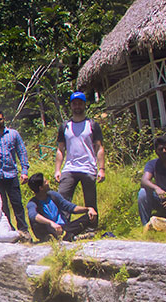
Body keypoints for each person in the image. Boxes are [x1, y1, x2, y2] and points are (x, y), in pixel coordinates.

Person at [54, 92, 106, 225]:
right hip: (70, 168)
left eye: (80, 103)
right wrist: (57, 170)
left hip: (88, 168)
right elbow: (60, 149)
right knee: (63, 197)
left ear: (84, 105)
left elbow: (99, 147)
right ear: (71, 106)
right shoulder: (65, 126)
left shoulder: (92, 125)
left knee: (90, 200)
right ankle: (62, 226)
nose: (77, 106)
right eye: (74, 103)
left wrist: (101, 169)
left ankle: (91, 227)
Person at [25, 172, 98, 241]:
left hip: (63, 228)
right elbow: (33, 215)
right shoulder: (33, 202)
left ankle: (67, 236)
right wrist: (51, 223)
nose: (48, 182)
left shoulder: (53, 195)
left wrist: (88, 209)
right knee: (35, 222)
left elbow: (69, 207)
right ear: (41, 188)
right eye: (45, 182)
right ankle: (68, 237)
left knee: (88, 217)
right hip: (49, 229)